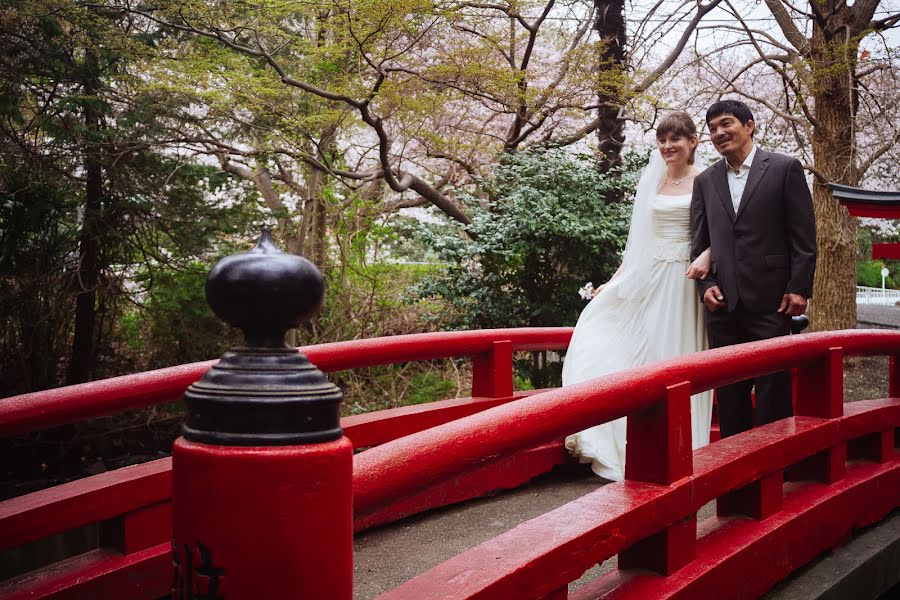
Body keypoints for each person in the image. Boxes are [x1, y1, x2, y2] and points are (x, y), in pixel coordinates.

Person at [562, 112, 714, 481]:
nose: (667, 147)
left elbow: (721, 230)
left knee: (677, 354)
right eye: (662, 140)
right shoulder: (653, 180)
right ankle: (620, 439)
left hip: (685, 279)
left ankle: (684, 447)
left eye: (675, 139)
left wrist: (708, 255)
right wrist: (614, 281)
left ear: (693, 141)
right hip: (649, 274)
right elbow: (638, 243)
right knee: (611, 337)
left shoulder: (708, 180)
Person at [690, 100, 816, 438]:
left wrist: (799, 287)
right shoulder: (705, 181)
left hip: (772, 299)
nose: (719, 133)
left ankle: (778, 467)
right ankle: (737, 477)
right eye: (713, 128)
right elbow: (699, 242)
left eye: (726, 124)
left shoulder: (784, 168)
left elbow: (803, 236)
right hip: (723, 304)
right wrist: (706, 287)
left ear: (749, 125)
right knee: (730, 394)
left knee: (772, 390)